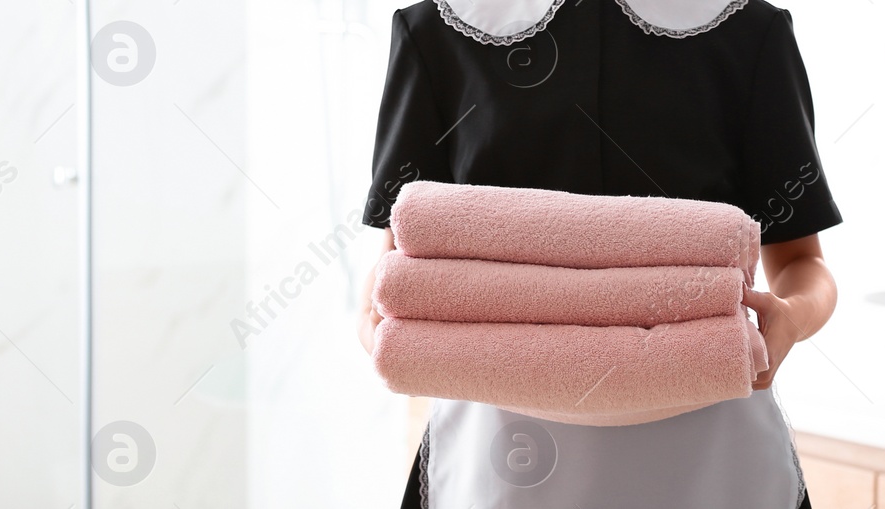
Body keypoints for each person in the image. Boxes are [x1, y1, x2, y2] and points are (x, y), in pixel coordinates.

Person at [354, 0, 841, 507]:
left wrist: (789, 319)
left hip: (709, 439)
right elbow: (399, 262)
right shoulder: (439, 30)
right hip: (498, 443)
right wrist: (380, 327)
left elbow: (804, 262)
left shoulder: (745, 29)